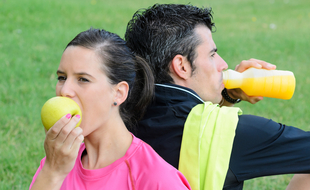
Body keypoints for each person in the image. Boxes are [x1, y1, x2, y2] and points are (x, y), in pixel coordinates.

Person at [124, 4, 310, 190]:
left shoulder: (114, 116)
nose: (222, 64)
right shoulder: (230, 134)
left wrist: (227, 99)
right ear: (181, 66)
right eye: (212, 54)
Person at [30, 28, 191, 190]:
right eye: (62, 78)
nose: (65, 90)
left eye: (83, 79)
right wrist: (52, 172)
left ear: (119, 93)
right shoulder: (58, 161)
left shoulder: (156, 178)